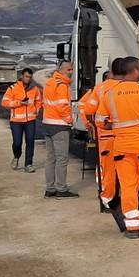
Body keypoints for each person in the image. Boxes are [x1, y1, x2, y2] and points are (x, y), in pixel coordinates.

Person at [96, 56, 139, 239]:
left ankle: (133, 228)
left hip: (121, 149)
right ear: (135, 71)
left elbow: (99, 121)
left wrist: (115, 127)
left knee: (128, 186)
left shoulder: (109, 95)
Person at [77, 60, 123, 213]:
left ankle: (107, 199)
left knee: (107, 170)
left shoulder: (100, 89)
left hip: (105, 136)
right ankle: (127, 199)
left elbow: (87, 109)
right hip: (125, 136)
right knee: (126, 169)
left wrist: (91, 125)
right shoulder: (131, 88)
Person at [42, 61, 79, 199]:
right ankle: (61, 189)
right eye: (69, 69)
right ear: (62, 70)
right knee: (62, 159)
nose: (71, 72)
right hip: (59, 126)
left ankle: (50, 189)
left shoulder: (50, 83)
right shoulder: (62, 85)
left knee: (50, 159)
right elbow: (62, 106)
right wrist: (70, 120)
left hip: (47, 124)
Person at [1, 67, 42, 172]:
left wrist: (36, 111)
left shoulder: (35, 89)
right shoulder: (13, 88)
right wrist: (19, 103)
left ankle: (28, 164)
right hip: (16, 121)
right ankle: (16, 156)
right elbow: (4, 102)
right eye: (26, 76)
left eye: (30, 77)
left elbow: (38, 101)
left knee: (30, 142)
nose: (28, 79)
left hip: (30, 120)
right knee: (17, 142)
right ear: (21, 76)